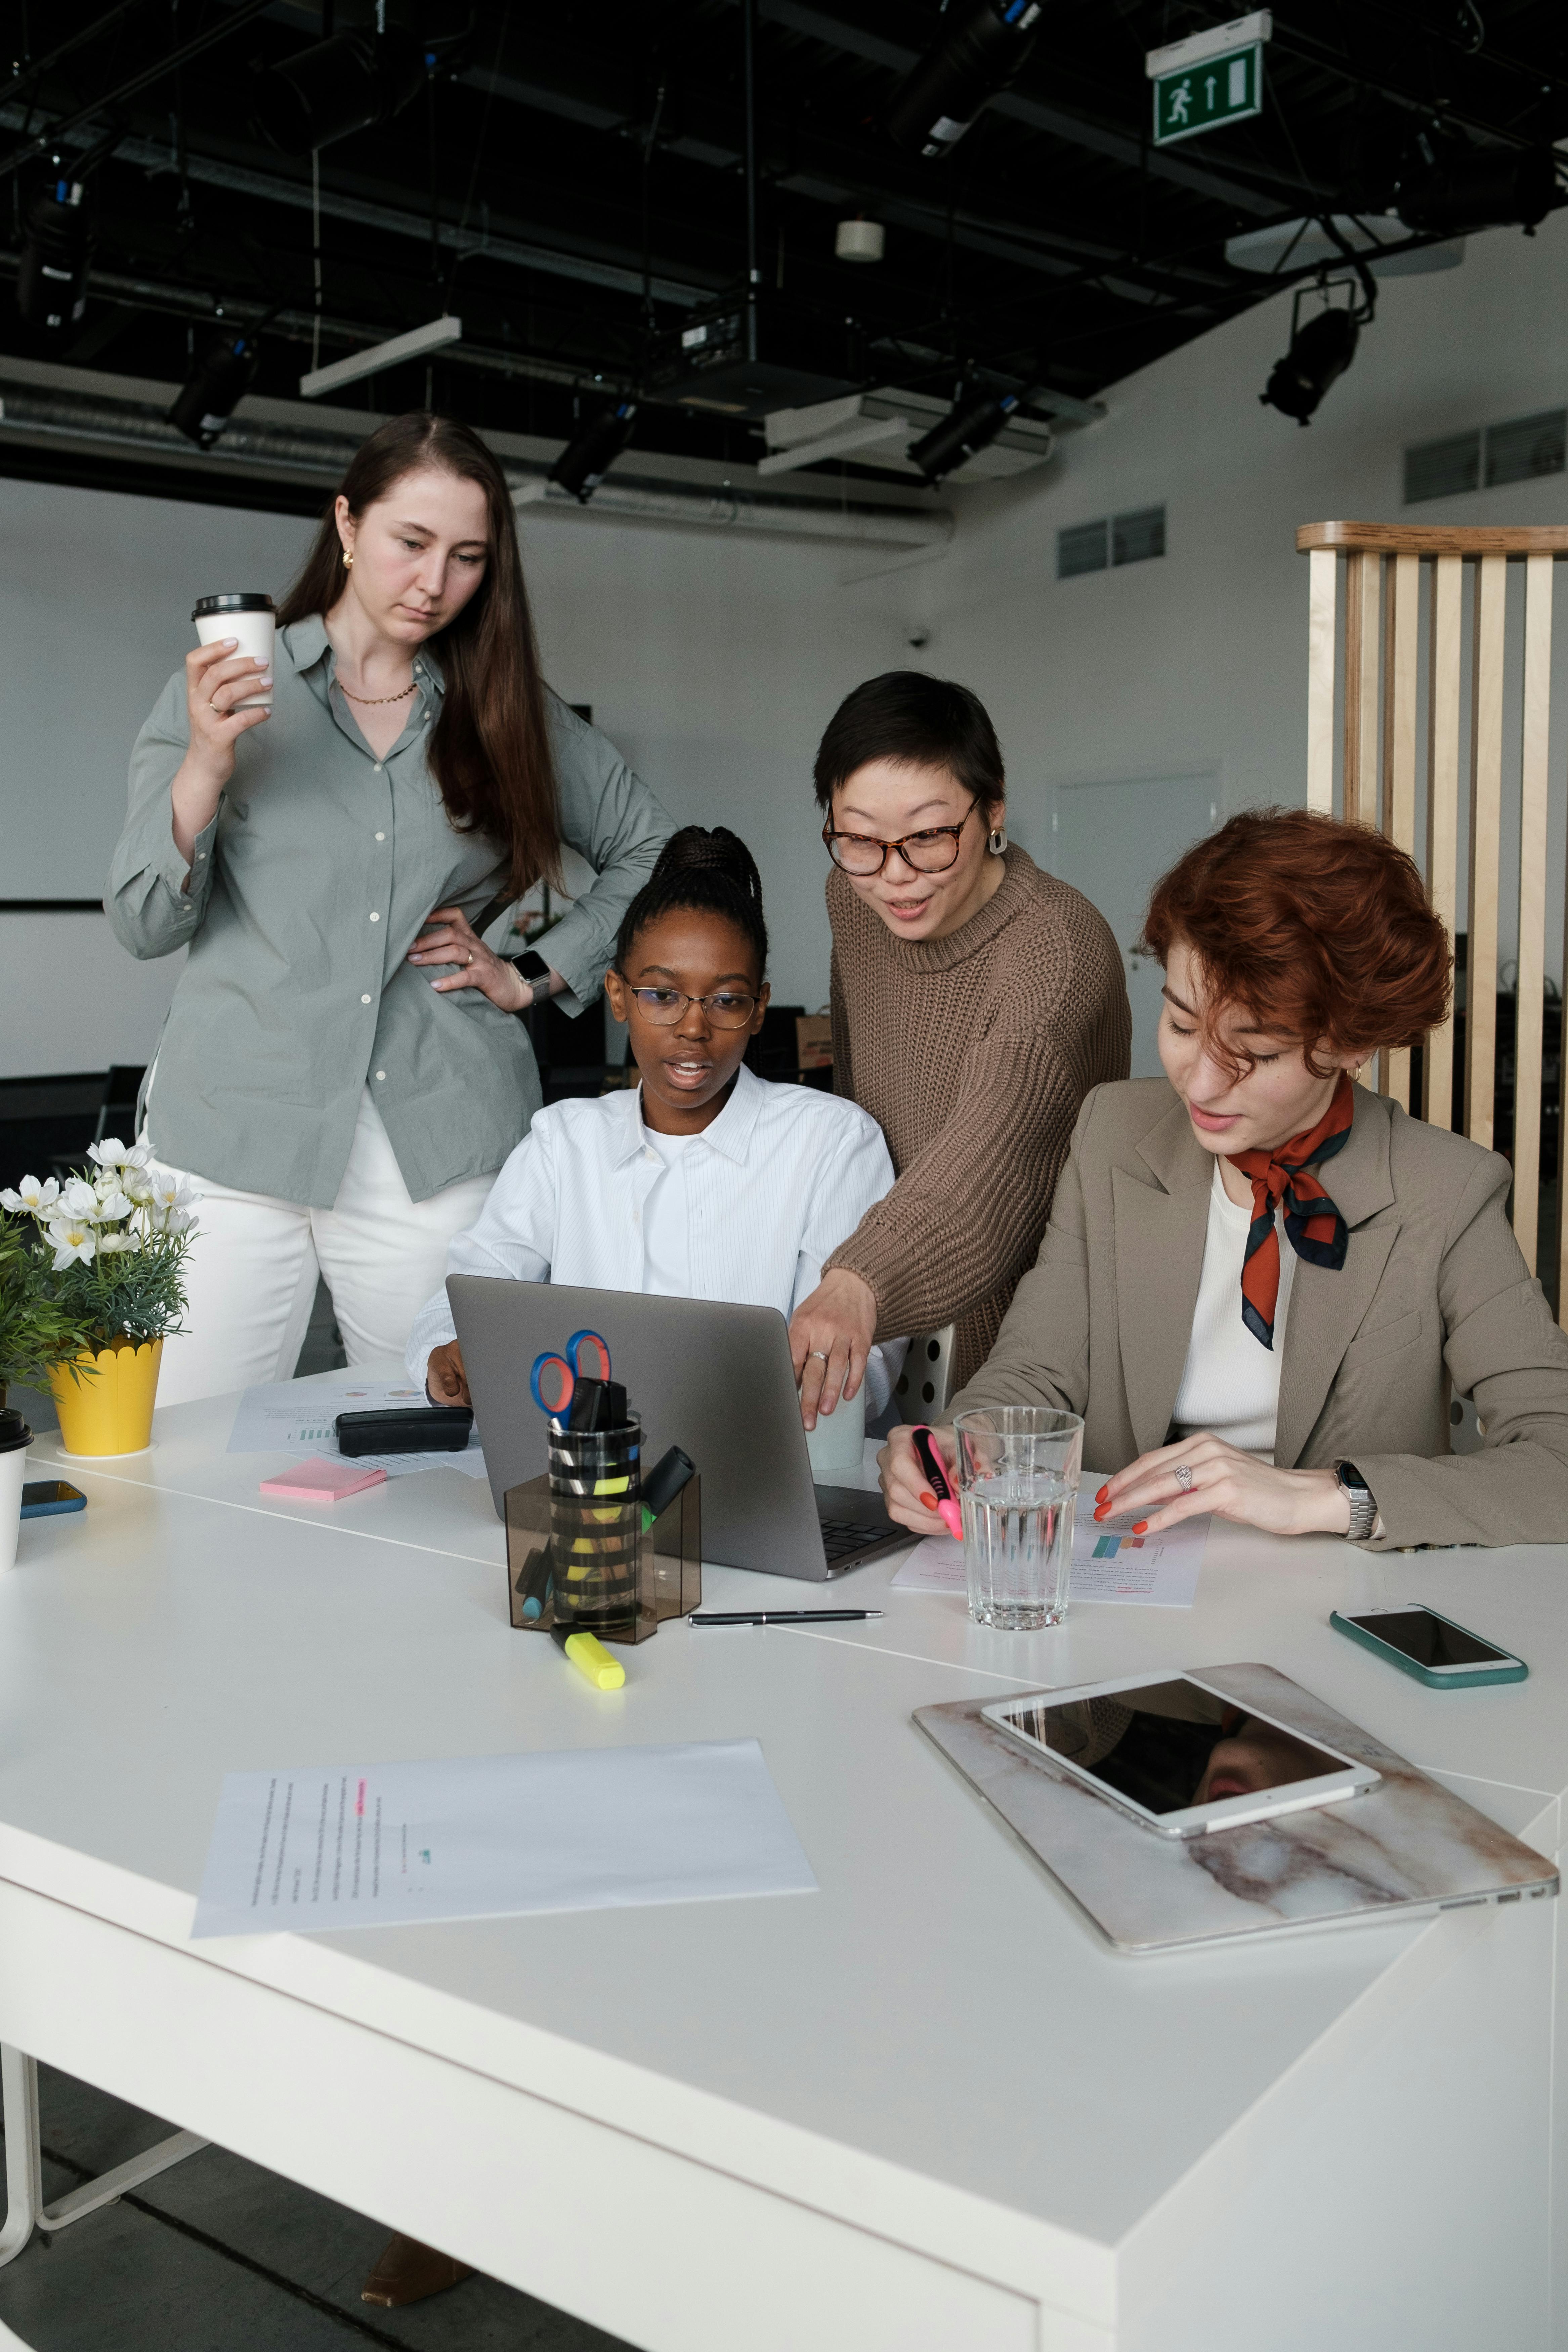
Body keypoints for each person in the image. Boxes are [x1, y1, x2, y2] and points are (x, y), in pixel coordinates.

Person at [108, 411, 673, 1408]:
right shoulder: (225, 689)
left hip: (437, 1135)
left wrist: (531, 972)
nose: (434, 582)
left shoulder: (503, 708)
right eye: (413, 543)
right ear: (347, 525)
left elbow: (653, 848)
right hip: (234, 1132)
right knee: (185, 1451)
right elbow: (145, 922)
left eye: (467, 558)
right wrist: (206, 759)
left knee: (445, 1438)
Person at [881, 807, 1568, 1552]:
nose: (1201, 1084)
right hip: (1124, 1574)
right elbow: (1035, 1370)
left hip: (1337, 1604)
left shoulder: (1448, 1191)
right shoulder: (1111, 1132)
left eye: (1256, 1054)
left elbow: (1557, 1459)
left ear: (1349, 1044)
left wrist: (1326, 1495)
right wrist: (958, 1447)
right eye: (1180, 1025)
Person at [408, 825, 905, 1419]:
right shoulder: (565, 1143)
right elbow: (461, 1300)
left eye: (725, 1000)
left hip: (766, 1480)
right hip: (588, 1481)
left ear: (759, 1010)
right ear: (618, 997)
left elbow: (862, 1370)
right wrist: (448, 1360)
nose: (693, 1028)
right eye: (661, 996)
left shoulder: (832, 1142)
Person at [787, 671, 1130, 1432]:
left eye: (930, 835)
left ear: (994, 810)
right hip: (872, 1295)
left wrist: (860, 1278)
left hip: (1017, 1324)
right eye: (860, 839)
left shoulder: (1057, 950)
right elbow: (857, 1094)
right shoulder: (854, 895)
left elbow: (993, 1154)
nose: (896, 874)